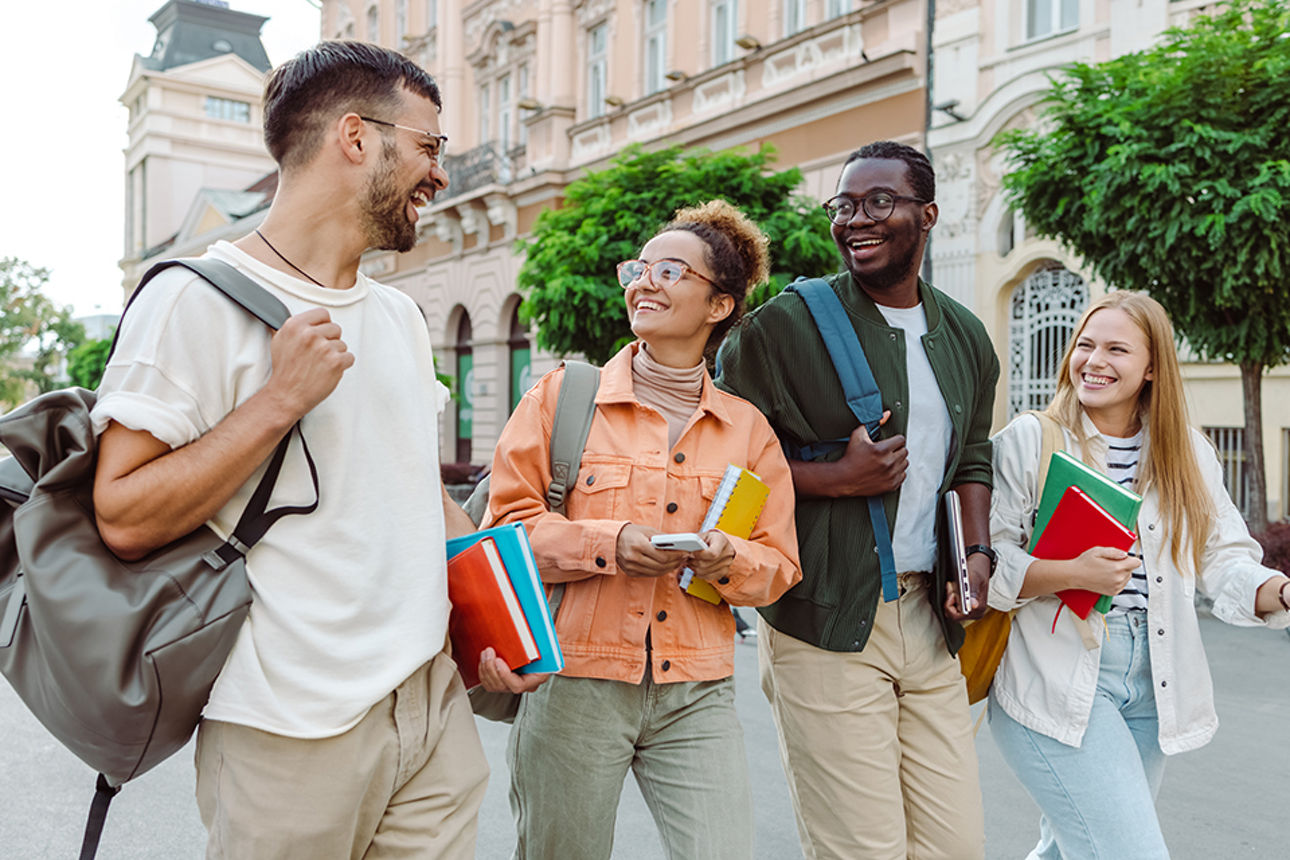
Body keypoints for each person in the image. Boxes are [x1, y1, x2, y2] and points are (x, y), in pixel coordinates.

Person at [91, 42, 490, 859]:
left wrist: (492, 623)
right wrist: (278, 403)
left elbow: (418, 496)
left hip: (430, 710)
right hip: (288, 728)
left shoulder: (400, 318)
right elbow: (123, 515)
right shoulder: (189, 299)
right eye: (428, 147)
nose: (439, 174)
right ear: (355, 137)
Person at [482, 200, 802, 859]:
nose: (644, 282)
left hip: (697, 693)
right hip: (573, 683)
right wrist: (609, 544)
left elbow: (779, 565)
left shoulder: (747, 429)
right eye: (640, 267)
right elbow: (507, 529)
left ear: (720, 305)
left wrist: (724, 557)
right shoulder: (562, 396)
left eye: (670, 271)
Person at [717, 140, 999, 860]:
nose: (855, 220)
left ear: (927, 214)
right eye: (844, 205)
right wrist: (834, 478)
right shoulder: (785, 325)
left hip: (930, 621)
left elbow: (972, 455)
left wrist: (975, 555)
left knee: (956, 845)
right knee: (863, 850)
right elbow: (720, 461)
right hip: (825, 617)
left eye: (879, 202)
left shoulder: (966, 336)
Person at [987, 290, 1290, 859]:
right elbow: (985, 565)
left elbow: (1222, 557)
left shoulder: (1186, 453)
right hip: (1055, 678)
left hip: (1154, 682)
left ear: (1152, 368)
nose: (1094, 360)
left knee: (1073, 849)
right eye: (1086, 345)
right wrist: (1069, 572)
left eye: (1117, 350)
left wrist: (1279, 591)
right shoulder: (1030, 441)